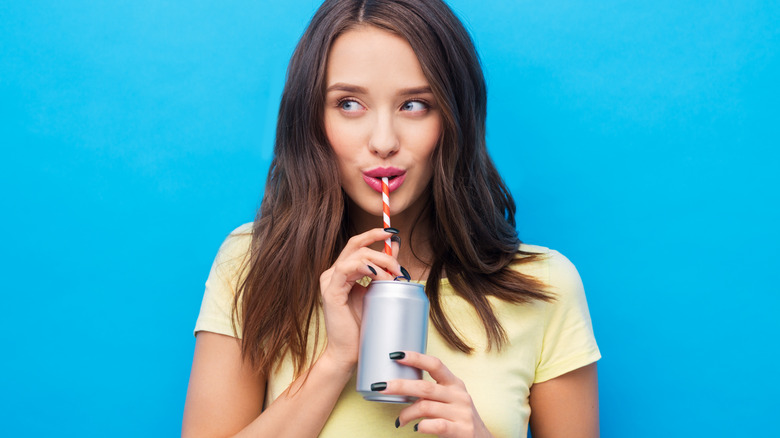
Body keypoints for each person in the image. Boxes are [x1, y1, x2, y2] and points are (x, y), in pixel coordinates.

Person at [183, 0, 600, 436]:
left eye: (415, 105)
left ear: (455, 117)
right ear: (311, 119)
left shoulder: (546, 287)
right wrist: (335, 363)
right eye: (348, 104)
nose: (383, 141)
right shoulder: (253, 263)